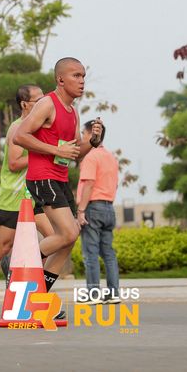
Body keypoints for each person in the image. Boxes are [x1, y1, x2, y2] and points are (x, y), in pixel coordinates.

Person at [14, 57, 103, 293]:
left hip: (60, 178)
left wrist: (93, 142)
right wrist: (55, 150)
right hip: (42, 177)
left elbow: (74, 153)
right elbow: (20, 136)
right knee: (69, 232)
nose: (82, 81)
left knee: (68, 240)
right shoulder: (47, 104)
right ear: (60, 79)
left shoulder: (73, 112)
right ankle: (18, 261)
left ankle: (38, 292)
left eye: (83, 76)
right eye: (76, 75)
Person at [0, 84, 55, 315]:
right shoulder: (17, 128)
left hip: (32, 196)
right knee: (1, 247)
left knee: (56, 238)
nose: (43, 105)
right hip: (14, 198)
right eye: (38, 101)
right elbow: (14, 163)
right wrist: (45, 151)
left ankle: (33, 291)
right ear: (24, 104)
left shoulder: (36, 128)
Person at [77, 119, 121, 304]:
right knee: (108, 253)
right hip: (109, 207)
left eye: (83, 134)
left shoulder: (91, 157)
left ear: (90, 134)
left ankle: (93, 294)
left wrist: (81, 210)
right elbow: (115, 184)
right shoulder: (111, 157)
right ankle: (113, 293)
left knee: (90, 254)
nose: (81, 137)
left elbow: (89, 183)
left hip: (93, 207)